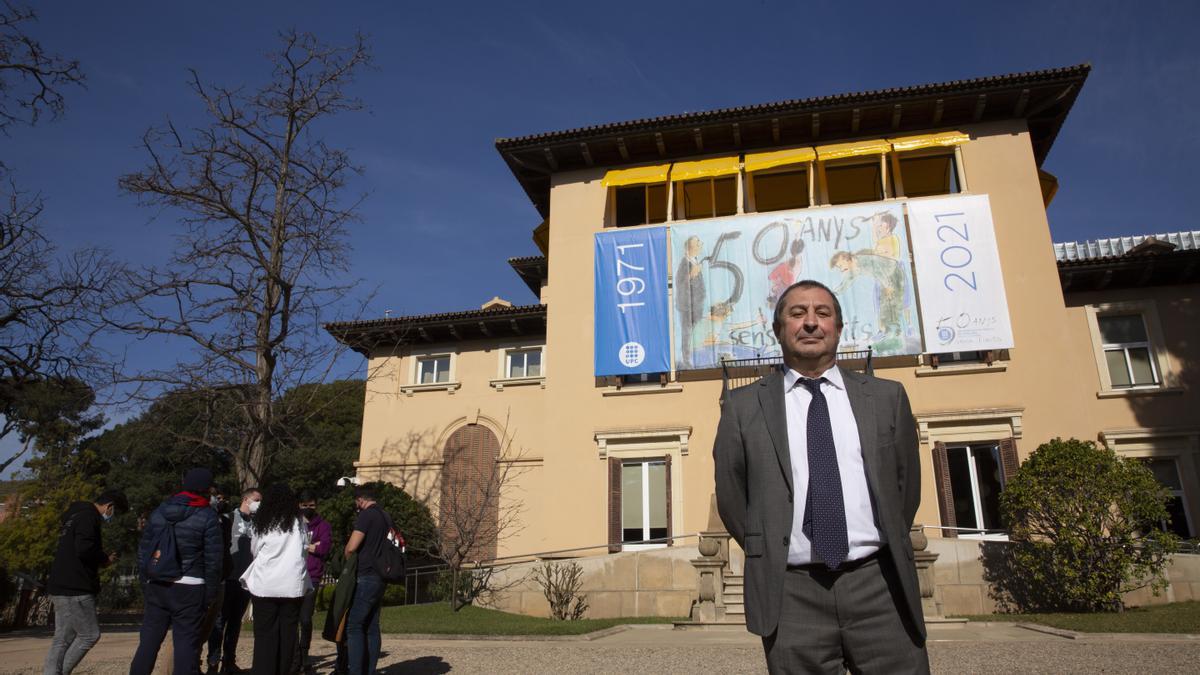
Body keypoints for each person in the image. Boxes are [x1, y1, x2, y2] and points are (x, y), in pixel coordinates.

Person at [713, 280, 928, 673]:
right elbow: (732, 495)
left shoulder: (886, 398)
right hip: (792, 592)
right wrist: (775, 545)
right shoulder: (742, 408)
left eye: (822, 313)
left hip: (881, 584)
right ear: (778, 330)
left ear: (839, 329)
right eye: (797, 314)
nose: (810, 323)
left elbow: (905, 489)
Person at [130, 468, 223, 675]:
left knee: (148, 643)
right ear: (207, 488)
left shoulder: (160, 511)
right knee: (186, 645)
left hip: (158, 583)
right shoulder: (207, 516)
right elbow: (213, 560)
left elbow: (144, 551)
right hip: (190, 586)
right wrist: (210, 593)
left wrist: (146, 581)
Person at [43, 490, 126, 675]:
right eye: (115, 512)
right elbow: (84, 548)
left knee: (63, 638)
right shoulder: (89, 517)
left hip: (60, 582)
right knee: (89, 635)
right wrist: (104, 559)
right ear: (109, 506)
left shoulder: (74, 516)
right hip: (76, 586)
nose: (111, 516)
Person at [240, 484, 311, 675]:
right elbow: (304, 548)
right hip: (291, 586)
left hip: (265, 585)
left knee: (264, 635)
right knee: (288, 635)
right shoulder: (298, 522)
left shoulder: (262, 522)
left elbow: (255, 550)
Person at [340, 485, 390, 675]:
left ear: (360, 500)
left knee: (354, 625)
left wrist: (346, 557)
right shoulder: (385, 516)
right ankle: (370, 670)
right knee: (372, 625)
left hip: (366, 573)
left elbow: (352, 546)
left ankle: (356, 670)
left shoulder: (366, 515)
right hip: (381, 575)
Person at [210, 486, 261, 674]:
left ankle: (229, 662)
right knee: (219, 622)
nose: (259, 503)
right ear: (246, 500)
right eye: (256, 499)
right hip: (229, 578)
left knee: (235, 623)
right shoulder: (229, 518)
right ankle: (212, 661)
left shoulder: (257, 522)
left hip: (245, 580)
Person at [295, 492, 332, 674]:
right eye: (304, 505)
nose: (308, 509)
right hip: (293, 576)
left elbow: (324, 547)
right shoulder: (293, 524)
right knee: (292, 618)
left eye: (311, 506)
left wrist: (306, 546)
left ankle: (304, 654)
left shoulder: (323, 525)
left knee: (305, 619)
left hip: (312, 576)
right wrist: (312, 546)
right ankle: (294, 656)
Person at [674, 235, 706, 369]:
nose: (700, 247)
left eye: (700, 244)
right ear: (690, 248)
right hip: (687, 307)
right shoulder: (684, 263)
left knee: (695, 333)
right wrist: (692, 274)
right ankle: (687, 361)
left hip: (696, 306)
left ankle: (696, 358)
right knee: (687, 334)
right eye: (697, 245)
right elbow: (680, 283)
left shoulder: (694, 261)